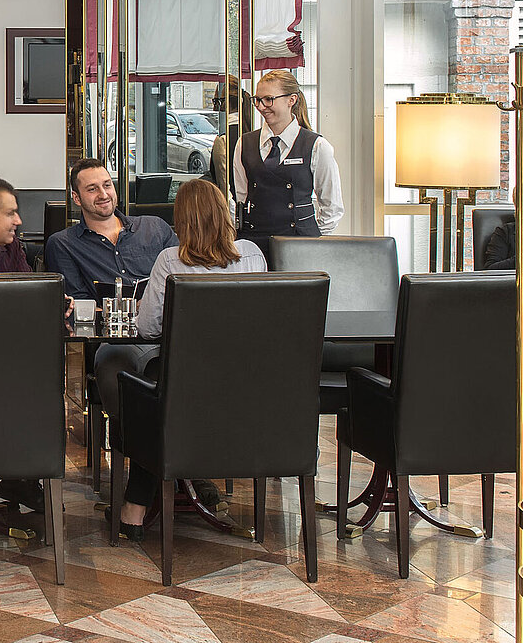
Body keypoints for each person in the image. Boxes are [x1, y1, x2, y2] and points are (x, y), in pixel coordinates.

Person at [93, 179, 267, 537]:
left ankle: (135, 507)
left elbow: (147, 328)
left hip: (184, 390)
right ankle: (189, 481)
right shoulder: (252, 255)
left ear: (182, 222)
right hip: (245, 389)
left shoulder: (171, 260)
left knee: (144, 395)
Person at [232, 70, 343, 258]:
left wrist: (314, 242)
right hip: (254, 244)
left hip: (300, 245)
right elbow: (240, 198)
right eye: (257, 100)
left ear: (291, 100)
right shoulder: (244, 144)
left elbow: (332, 207)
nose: (261, 107)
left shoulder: (317, 146)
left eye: (269, 99)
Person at [44, 158, 177, 301]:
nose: (103, 195)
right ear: (76, 198)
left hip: (162, 314)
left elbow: (182, 282)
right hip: (105, 316)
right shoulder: (63, 244)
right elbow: (78, 305)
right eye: (92, 189)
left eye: (107, 185)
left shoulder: (155, 227)